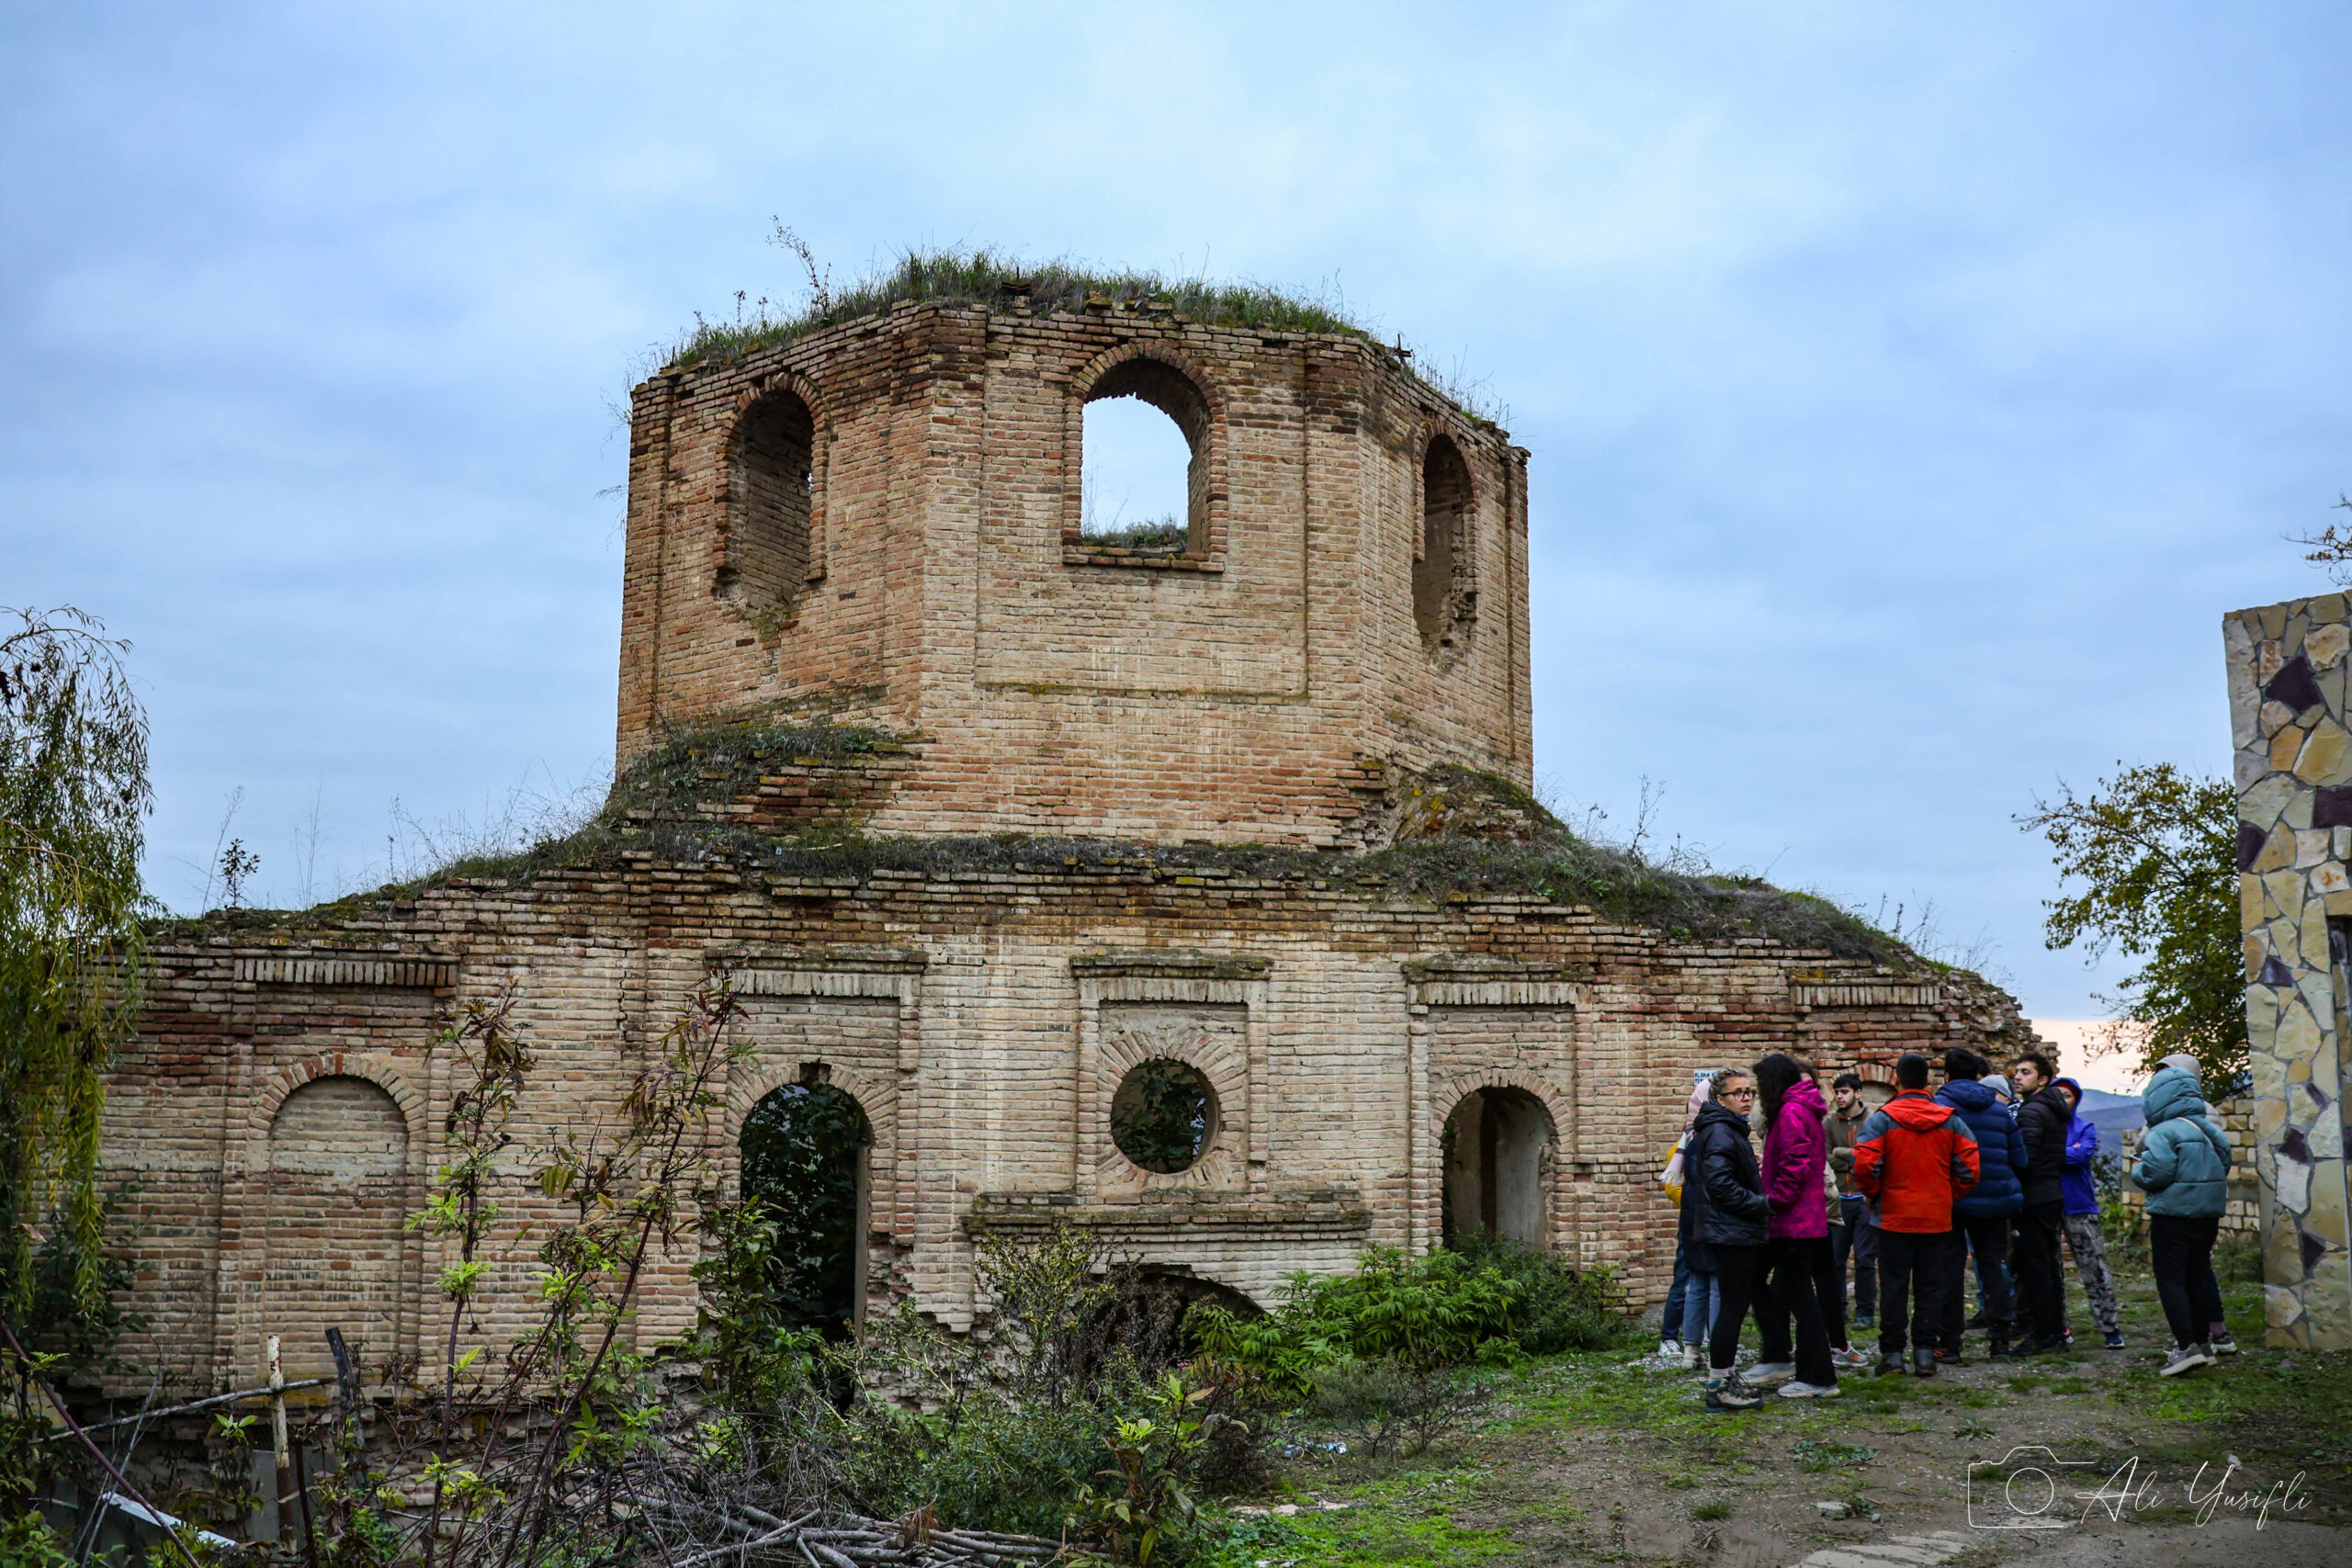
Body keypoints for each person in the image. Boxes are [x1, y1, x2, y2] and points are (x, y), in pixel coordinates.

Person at [1851, 1052, 1980, 1377]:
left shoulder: (1881, 1119)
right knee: (1931, 1286)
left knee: (1893, 1286)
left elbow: (1865, 1165)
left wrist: (1874, 1195)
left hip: (1893, 1217)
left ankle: (1893, 1355)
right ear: (1928, 1081)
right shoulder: (1951, 1120)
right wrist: (1945, 1195)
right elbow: (1970, 1171)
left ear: (1897, 1080)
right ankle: (1925, 1353)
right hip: (1936, 1218)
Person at [2132, 1055, 2234, 1376]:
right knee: (2198, 1275)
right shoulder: (2208, 1128)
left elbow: (2157, 1173)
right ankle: (2204, 1344)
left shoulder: (2162, 1132)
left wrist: (2138, 1170)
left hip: (2172, 1216)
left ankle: (2185, 1346)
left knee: (2172, 1279)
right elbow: (2225, 1164)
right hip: (2207, 1216)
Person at [1747, 1054, 1842, 1398]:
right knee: (1781, 1289)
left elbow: (1797, 1164)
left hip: (1793, 1220)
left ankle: (1816, 1377)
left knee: (1800, 1298)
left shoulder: (1791, 1112)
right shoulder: (1797, 1110)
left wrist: (1774, 1201)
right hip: (1796, 1219)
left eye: (1761, 1085)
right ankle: (1786, 1360)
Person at [1684, 1066, 1774, 1411]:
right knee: (1732, 1309)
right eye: (1738, 1093)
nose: (1747, 1097)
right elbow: (1720, 1185)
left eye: (1749, 1091)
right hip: (1731, 1231)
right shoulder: (1722, 1131)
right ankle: (1719, 1387)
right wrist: (1762, 1204)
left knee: (1734, 1306)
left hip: (1732, 1229)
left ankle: (1724, 1378)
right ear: (1719, 1100)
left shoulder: (1727, 1129)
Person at [1935, 1049, 2025, 1361]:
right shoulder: (2000, 1112)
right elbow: (2020, 1159)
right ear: (1978, 1076)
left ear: (1946, 1075)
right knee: (1993, 1268)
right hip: (1995, 1203)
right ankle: (2000, 1341)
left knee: (1949, 1271)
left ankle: (1950, 1345)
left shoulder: (1938, 1108)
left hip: (1951, 1201)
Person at [2053, 1076, 2124, 1348]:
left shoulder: (2086, 1127)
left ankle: (2109, 1325)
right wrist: (2065, 1151)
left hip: (2079, 1205)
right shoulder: (2045, 1127)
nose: (2063, 1099)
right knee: (2051, 1270)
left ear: (2076, 1100)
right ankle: (2059, 1327)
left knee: (2094, 1267)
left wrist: (2054, 1152)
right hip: (2048, 1205)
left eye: (2068, 1095)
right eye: (2057, 1094)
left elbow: (2080, 1157)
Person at [2010, 1051, 2073, 1354]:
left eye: (2025, 1072)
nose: (2017, 1077)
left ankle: (2044, 1334)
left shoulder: (2031, 1111)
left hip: (2034, 1197)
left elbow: (2026, 1158)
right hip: (2051, 1193)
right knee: (2048, 1266)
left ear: (2043, 1080)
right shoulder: (2054, 1108)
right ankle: (2055, 1331)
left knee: (2034, 1267)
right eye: (2017, 1072)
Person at [1657, 1072, 1715, 1367]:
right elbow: (1673, 1186)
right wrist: (1696, 1205)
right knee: (1684, 1280)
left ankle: (1699, 1335)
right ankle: (1669, 1337)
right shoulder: (1684, 1147)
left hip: (1706, 1220)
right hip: (1693, 1222)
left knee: (1704, 1283)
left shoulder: (1709, 1140)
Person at [1826, 1072, 1878, 1333]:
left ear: (1858, 1094)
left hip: (1865, 1198)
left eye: (1844, 1092)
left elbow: (1872, 1157)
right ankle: (1838, 1310)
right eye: (1836, 1092)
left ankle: (1866, 1312)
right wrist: (1853, 1156)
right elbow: (1823, 1157)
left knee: (1865, 1259)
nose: (1839, 1096)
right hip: (1838, 1199)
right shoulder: (1828, 1122)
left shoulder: (1873, 1121)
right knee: (1835, 1259)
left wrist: (1842, 1153)